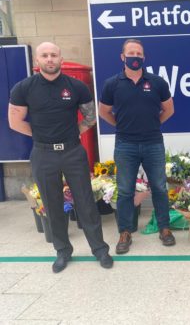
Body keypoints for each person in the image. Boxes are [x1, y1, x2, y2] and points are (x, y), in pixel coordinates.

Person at [8, 42, 113, 273]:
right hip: (43, 154)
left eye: (53, 55)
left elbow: (90, 117)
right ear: (37, 61)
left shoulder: (76, 87)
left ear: (61, 59)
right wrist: (39, 136)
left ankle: (100, 249)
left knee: (86, 202)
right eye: (44, 55)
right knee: (53, 204)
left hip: (73, 152)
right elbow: (14, 121)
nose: (49, 59)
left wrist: (74, 132)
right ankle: (63, 251)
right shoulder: (23, 88)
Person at [99, 39, 175, 254]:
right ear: (122, 57)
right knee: (124, 191)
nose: (135, 56)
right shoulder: (111, 84)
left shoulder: (157, 82)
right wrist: (120, 126)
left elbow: (169, 109)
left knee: (159, 187)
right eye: (131, 53)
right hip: (125, 144)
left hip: (153, 143)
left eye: (139, 53)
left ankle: (164, 228)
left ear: (144, 58)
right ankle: (125, 231)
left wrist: (154, 124)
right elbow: (103, 111)